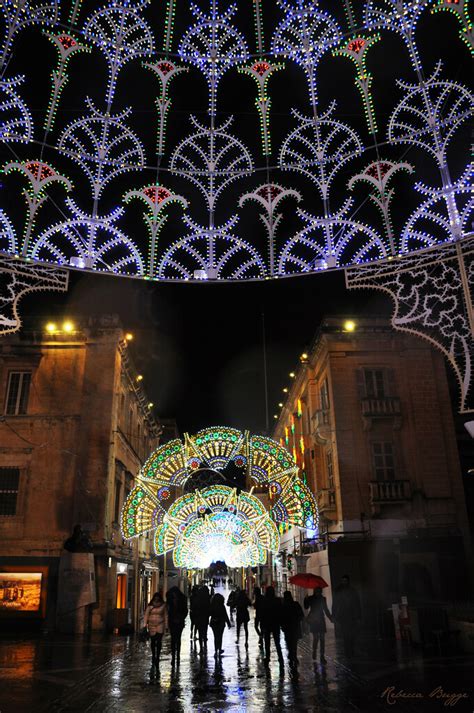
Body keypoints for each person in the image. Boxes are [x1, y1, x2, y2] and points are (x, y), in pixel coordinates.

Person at [332, 575, 361, 658]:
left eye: (345, 581)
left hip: (351, 616)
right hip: (344, 616)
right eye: (343, 581)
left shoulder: (352, 591)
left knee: (350, 634)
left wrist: (358, 616)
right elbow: (335, 604)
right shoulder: (340, 591)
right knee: (346, 634)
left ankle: (350, 650)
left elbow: (357, 604)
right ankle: (348, 651)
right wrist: (334, 615)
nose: (344, 582)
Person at [304, 587, 332, 663]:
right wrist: (305, 599)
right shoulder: (311, 598)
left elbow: (325, 609)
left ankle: (322, 655)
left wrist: (330, 618)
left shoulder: (323, 598)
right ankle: (314, 651)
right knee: (316, 638)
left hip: (320, 619)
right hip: (314, 619)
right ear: (314, 591)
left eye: (319, 591)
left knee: (322, 638)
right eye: (317, 591)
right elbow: (306, 607)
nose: (318, 592)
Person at [259, 586, 284, 667]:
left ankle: (268, 657)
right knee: (277, 642)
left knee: (267, 642)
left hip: (267, 624)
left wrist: (261, 624)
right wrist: (281, 623)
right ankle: (280, 657)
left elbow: (262, 613)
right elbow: (281, 612)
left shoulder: (264, 601)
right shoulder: (277, 601)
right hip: (275, 624)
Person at [143, 592, 167, 675]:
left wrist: (166, 626)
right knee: (153, 641)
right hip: (151, 625)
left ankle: (158, 654)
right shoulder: (150, 606)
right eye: (155, 597)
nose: (156, 599)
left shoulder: (163, 606)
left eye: (158, 598)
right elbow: (146, 615)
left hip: (160, 624)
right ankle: (154, 654)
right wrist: (144, 625)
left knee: (159, 640)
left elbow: (165, 615)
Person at [281, 591, 304, 669]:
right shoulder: (295, 604)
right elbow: (301, 615)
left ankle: (291, 655)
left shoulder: (283, 606)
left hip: (287, 628)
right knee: (294, 643)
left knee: (289, 642)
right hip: (295, 627)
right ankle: (293, 656)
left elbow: (281, 617)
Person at [166, 586, 188, 666]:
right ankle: (173, 656)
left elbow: (185, 611)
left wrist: (180, 618)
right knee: (173, 638)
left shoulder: (182, 600)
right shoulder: (170, 601)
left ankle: (177, 655)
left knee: (178, 638)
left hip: (179, 622)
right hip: (172, 622)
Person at [209, 593, 231, 659]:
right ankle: (220, 648)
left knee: (215, 636)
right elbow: (225, 615)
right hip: (221, 622)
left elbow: (209, 613)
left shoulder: (212, 606)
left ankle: (216, 650)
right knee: (220, 636)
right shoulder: (222, 606)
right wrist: (228, 623)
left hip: (214, 622)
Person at [194, 586, 211, 652]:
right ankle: (205, 645)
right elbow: (209, 609)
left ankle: (201, 647)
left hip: (198, 618)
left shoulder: (197, 599)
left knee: (200, 633)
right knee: (205, 631)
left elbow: (194, 608)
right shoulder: (207, 599)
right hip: (205, 618)